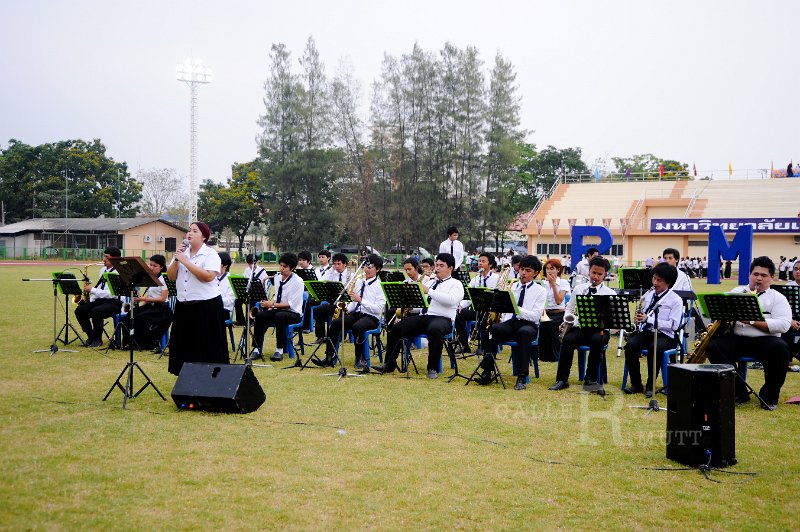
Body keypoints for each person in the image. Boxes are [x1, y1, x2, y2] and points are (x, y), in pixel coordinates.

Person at [706, 257, 792, 410]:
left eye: (764, 275)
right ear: (749, 275)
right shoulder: (735, 292)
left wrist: (752, 321)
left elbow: (784, 325)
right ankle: (738, 392)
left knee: (780, 349)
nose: (759, 278)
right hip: (737, 338)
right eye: (755, 274)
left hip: (766, 341)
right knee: (714, 347)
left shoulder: (778, 298)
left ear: (771, 277)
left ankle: (769, 396)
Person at [375, 253, 464, 379]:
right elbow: (423, 302)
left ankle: (432, 368)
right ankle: (389, 364)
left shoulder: (456, 284)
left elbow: (451, 300)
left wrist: (429, 291)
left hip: (444, 319)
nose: (437, 268)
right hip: (426, 316)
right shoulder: (432, 282)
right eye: (437, 265)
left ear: (450, 268)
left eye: (441, 266)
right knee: (397, 328)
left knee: (434, 329)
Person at [473, 256, 547, 390]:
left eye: (528, 270)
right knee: (494, 328)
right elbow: (505, 311)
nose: (523, 273)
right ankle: (487, 371)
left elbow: (535, 315)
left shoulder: (540, 291)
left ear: (535, 273)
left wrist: (515, 308)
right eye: (522, 269)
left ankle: (522, 376)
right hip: (512, 322)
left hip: (529, 325)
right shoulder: (512, 286)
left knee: (524, 333)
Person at [166, 221, 229, 376]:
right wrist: (176, 259)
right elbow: (171, 276)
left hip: (206, 306)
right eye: (189, 231)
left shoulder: (210, 254)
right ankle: (186, 377)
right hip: (184, 305)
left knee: (206, 345)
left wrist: (186, 262)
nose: (190, 234)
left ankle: (210, 378)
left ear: (204, 237)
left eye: (195, 231)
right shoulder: (181, 254)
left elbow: (208, 276)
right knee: (184, 344)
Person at [549, 256, 615, 393]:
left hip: (600, 330)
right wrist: (570, 319)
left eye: (599, 274)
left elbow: (612, 320)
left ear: (605, 275)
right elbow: (570, 308)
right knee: (567, 340)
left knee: (598, 340)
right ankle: (562, 379)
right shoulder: (579, 289)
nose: (595, 276)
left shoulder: (610, 293)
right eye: (593, 273)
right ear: (588, 271)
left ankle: (590, 380)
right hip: (580, 327)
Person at [314, 254, 386, 370]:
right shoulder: (359, 282)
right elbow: (353, 301)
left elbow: (377, 309)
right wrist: (348, 309)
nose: (367, 269)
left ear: (377, 269)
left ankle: (360, 359)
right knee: (336, 323)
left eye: (370, 267)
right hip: (357, 313)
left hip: (372, 317)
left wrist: (361, 300)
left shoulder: (379, 286)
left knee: (358, 327)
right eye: (366, 266)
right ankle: (329, 357)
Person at [622, 263, 683, 397]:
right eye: (654, 278)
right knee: (630, 346)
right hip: (648, 332)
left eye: (659, 280)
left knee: (654, 348)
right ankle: (636, 384)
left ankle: (651, 385)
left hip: (666, 336)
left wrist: (647, 319)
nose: (655, 282)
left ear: (669, 283)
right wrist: (639, 319)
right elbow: (645, 314)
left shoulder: (676, 300)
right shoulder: (649, 295)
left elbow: (674, 325)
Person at [252, 252, 305, 362]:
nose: (281, 269)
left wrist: (272, 304)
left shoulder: (298, 281)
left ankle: (279, 350)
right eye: (280, 265)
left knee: (280, 316)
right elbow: (277, 297)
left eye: (285, 267)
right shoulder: (277, 278)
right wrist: (270, 304)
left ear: (292, 268)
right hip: (278, 310)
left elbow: (290, 304)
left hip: (293, 313)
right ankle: (256, 348)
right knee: (260, 315)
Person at [75, 246, 123, 348]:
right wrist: (90, 299)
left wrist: (92, 290)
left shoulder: (119, 272)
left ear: (115, 259)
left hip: (115, 302)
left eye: (107, 257)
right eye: (104, 256)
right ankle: (91, 337)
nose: (104, 259)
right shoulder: (103, 270)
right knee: (80, 310)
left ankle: (98, 339)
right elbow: (101, 287)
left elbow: (112, 293)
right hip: (101, 300)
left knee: (96, 311)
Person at [455, 252, 498, 353]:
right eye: (479, 261)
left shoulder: (496, 278)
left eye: (483, 261)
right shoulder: (475, 279)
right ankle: (464, 345)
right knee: (459, 313)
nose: (480, 263)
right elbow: (468, 298)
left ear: (490, 264)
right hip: (476, 310)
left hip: (490, 311)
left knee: (485, 318)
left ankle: (483, 347)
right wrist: (461, 305)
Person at [132, 254, 173, 351]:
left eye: (155, 266)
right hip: (151, 306)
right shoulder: (151, 278)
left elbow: (162, 299)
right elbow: (152, 296)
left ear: (161, 267)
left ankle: (144, 344)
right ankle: (131, 342)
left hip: (161, 309)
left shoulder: (164, 279)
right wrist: (142, 302)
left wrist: (144, 299)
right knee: (132, 314)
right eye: (150, 265)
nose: (151, 267)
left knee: (140, 317)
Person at [538, 258, 571, 362]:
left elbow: (558, 301)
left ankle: (555, 355)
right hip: (546, 312)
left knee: (551, 325)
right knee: (543, 324)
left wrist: (553, 285)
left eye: (552, 268)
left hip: (558, 313)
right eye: (547, 269)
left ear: (558, 270)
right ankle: (542, 355)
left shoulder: (563, 283)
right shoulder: (543, 283)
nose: (549, 271)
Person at [313, 252, 350, 344]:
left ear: (345, 264)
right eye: (334, 264)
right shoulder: (332, 274)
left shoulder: (351, 275)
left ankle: (340, 336)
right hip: (333, 302)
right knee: (319, 310)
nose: (336, 266)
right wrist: (331, 270)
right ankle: (321, 336)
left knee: (339, 312)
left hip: (346, 304)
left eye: (339, 264)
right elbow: (321, 281)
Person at [235, 254, 266, 325]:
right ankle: (240, 320)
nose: (251, 265)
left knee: (252, 301)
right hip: (249, 292)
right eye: (249, 264)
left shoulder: (262, 271)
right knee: (237, 301)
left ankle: (250, 320)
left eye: (252, 263)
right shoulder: (247, 270)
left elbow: (264, 286)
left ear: (257, 262)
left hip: (258, 294)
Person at [781, 261, 800, 362]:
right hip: (791, 319)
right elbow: (782, 309)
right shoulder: (787, 286)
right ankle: (787, 359)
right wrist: (790, 320)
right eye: (796, 269)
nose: (798, 271)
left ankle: (794, 354)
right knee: (783, 330)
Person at [217, 252, 236, 321]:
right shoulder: (211, 277)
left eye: (217, 264)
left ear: (225, 266)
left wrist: (215, 300)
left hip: (224, 310)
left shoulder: (230, 280)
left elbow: (230, 301)